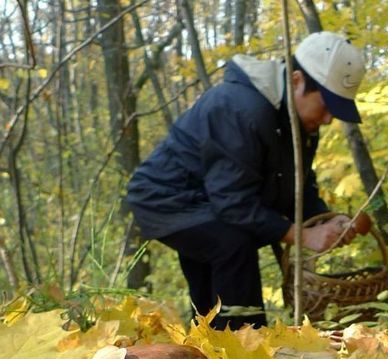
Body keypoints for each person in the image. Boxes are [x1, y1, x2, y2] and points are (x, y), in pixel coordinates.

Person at [126, 32, 366, 330]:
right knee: (232, 241)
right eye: (326, 106)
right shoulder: (240, 107)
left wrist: (325, 220)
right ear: (296, 81)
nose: (329, 119)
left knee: (214, 290)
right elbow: (232, 201)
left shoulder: (299, 121)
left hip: (211, 201)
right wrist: (299, 235)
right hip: (165, 199)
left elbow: (297, 184)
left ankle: (211, 352)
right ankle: (246, 350)